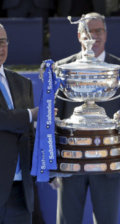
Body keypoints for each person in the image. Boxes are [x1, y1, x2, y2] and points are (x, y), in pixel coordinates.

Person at [53, 12, 120, 224]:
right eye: (88, 31)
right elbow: (54, 115)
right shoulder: (62, 68)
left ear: (106, 33)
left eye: (98, 30)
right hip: (70, 161)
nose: (94, 35)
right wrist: (51, 160)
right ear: (79, 35)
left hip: (108, 163)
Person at [0, 24, 38, 223]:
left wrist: (46, 168)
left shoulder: (23, 83)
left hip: (21, 194)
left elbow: (30, 135)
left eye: (3, 41)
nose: (1, 47)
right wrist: (32, 114)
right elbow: (3, 118)